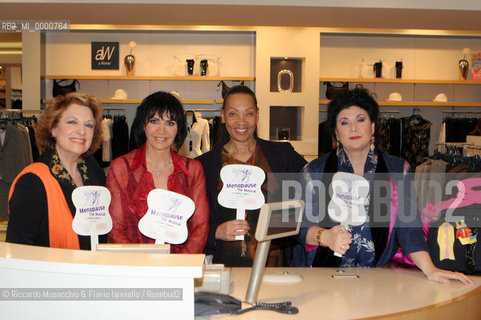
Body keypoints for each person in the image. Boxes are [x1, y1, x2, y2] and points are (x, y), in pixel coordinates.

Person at [292, 87, 472, 285]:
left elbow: (409, 228)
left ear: (373, 126)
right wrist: (324, 236)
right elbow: (299, 226)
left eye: (360, 120)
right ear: (336, 131)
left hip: (378, 277)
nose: (353, 128)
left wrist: (430, 269)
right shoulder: (313, 172)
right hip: (322, 277)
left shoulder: (398, 170)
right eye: (345, 122)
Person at [196, 85, 307, 267]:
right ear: (223, 116)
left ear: (257, 115)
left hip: (273, 267)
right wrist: (214, 232)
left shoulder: (281, 155)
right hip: (223, 267)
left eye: (248, 113)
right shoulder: (204, 165)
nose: (242, 122)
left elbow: (315, 188)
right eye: (233, 114)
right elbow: (190, 223)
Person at [106, 91, 209, 253]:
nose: (162, 130)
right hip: (134, 268)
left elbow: (200, 227)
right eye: (154, 121)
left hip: (179, 269)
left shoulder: (192, 170)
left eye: (170, 123)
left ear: (179, 128)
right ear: (143, 124)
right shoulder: (121, 168)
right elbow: (116, 228)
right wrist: (143, 266)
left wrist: (177, 265)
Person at [7, 92, 105, 250]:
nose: (82, 131)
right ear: (53, 129)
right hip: (49, 272)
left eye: (89, 125)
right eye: (72, 122)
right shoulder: (32, 182)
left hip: (92, 269)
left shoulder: (94, 172)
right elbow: (18, 250)